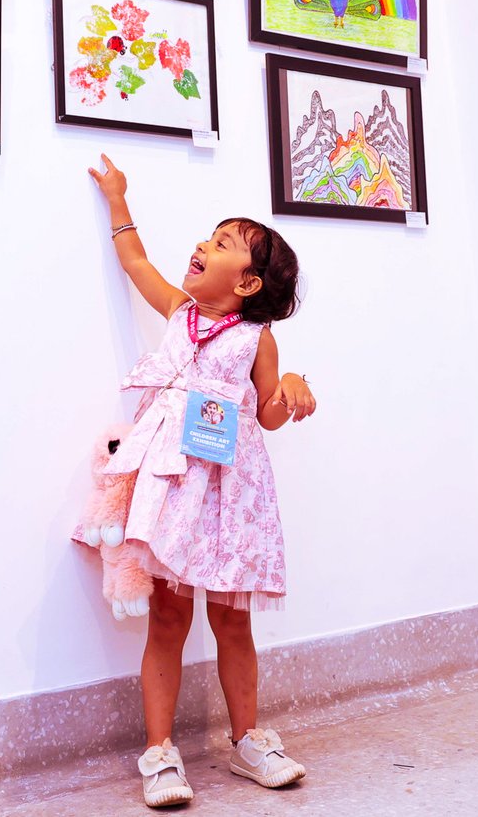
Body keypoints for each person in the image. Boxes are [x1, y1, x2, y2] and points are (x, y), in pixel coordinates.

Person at [83, 154, 316, 809]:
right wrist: (118, 199)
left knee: (234, 621)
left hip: (231, 496)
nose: (202, 245)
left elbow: (266, 413)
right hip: (174, 484)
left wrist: (293, 386)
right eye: (209, 236)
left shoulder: (256, 339)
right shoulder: (181, 312)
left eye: (220, 244)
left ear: (246, 284)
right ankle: (159, 751)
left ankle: (248, 737)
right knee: (167, 613)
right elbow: (136, 265)